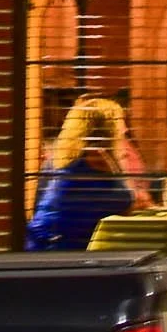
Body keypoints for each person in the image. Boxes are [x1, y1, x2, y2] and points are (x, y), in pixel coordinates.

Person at [25, 99, 133, 252]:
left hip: (42, 244)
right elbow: (126, 201)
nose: (125, 129)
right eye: (120, 121)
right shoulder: (96, 156)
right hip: (63, 250)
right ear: (108, 128)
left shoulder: (58, 160)